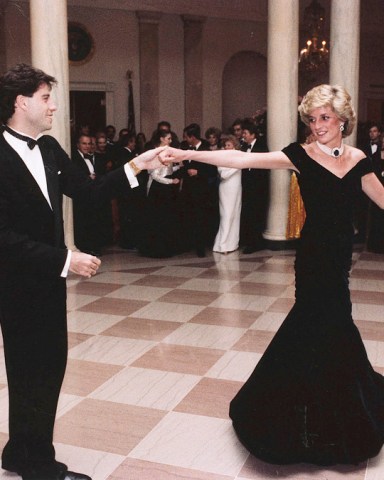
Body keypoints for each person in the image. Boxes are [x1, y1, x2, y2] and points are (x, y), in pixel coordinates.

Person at [163, 84, 384, 466]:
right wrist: (186, 152)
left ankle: (340, 406)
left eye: (325, 118)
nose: (317, 125)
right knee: (317, 323)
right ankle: (287, 411)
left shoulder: (359, 159)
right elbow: (243, 160)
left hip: (339, 258)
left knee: (335, 324)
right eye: (312, 119)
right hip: (313, 256)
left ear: (343, 120)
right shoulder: (300, 154)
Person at [0, 63, 165, 480]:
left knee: (47, 366)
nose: (54, 106)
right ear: (21, 103)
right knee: (30, 369)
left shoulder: (52, 149)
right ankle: (38, 465)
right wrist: (64, 259)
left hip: (48, 285)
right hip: (16, 285)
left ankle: (21, 451)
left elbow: (90, 192)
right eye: (45, 98)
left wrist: (137, 165)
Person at [139, 130, 181, 257]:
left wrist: (178, 167)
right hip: (157, 190)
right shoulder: (153, 153)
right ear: (162, 139)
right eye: (168, 138)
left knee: (165, 218)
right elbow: (155, 175)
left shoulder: (167, 152)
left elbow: (166, 170)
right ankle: (155, 249)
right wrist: (171, 181)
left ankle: (166, 247)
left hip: (165, 190)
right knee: (157, 218)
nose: (170, 140)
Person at [240, 119, 269, 253]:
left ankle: (256, 243)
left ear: (253, 134)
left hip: (258, 187)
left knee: (257, 214)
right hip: (247, 185)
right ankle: (250, 241)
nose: (243, 135)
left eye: (245, 133)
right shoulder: (243, 147)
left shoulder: (262, 146)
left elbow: (264, 166)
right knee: (249, 214)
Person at [213, 134, 242, 254]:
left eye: (229, 145)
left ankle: (233, 244)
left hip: (236, 188)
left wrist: (238, 164)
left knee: (235, 214)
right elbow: (223, 174)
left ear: (234, 146)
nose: (226, 147)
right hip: (226, 188)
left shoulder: (240, 156)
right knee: (227, 215)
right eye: (225, 145)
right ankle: (222, 245)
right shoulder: (221, 157)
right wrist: (237, 166)